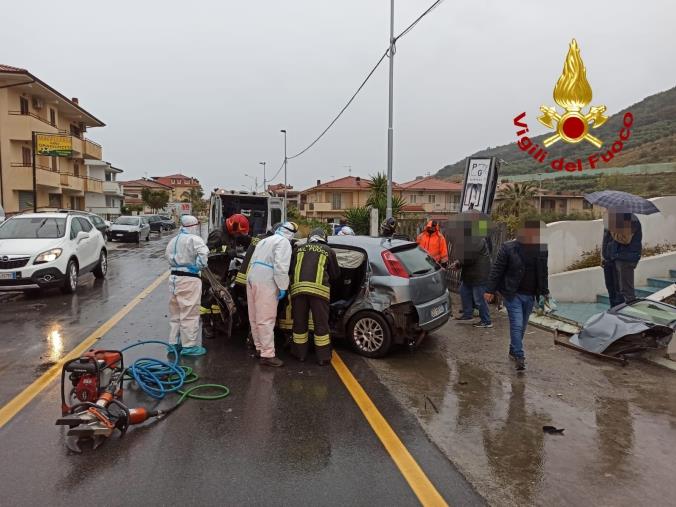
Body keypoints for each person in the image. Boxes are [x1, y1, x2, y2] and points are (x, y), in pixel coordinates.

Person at [485, 220, 549, 371]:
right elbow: (497, 270)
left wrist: (545, 292)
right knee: (517, 324)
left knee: (522, 326)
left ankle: (514, 349)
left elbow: (543, 272)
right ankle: (520, 356)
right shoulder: (509, 248)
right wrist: (490, 290)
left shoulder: (542, 249)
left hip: (530, 295)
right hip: (512, 294)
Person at [246, 221, 298, 367]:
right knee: (266, 318)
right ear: (291, 233)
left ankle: (259, 348)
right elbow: (281, 267)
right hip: (266, 279)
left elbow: (252, 261)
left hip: (252, 277)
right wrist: (283, 286)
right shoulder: (284, 243)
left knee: (255, 317)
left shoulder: (265, 240)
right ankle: (267, 355)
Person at [290, 228, 340, 365]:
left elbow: (291, 270)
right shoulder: (328, 250)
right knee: (321, 325)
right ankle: (323, 358)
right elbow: (335, 274)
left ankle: (299, 354)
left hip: (298, 290)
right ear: (324, 238)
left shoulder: (298, 249)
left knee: (300, 324)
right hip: (319, 292)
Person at [166, 215, 210, 356]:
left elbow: (167, 256)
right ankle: (189, 346)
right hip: (189, 279)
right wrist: (198, 266)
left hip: (174, 278)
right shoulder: (194, 239)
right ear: (193, 225)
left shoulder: (173, 240)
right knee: (189, 313)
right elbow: (204, 253)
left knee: (176, 313)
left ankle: (174, 344)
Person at [452, 231, 492, 328]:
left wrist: (458, 263)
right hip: (470, 274)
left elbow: (469, 258)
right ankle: (467, 315)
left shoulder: (477, 240)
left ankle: (486, 321)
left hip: (479, 275)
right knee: (464, 291)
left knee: (479, 298)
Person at [602, 212, 642, 307]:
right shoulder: (613, 218)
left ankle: (628, 317)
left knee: (625, 293)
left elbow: (625, 239)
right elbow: (606, 239)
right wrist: (604, 256)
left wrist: (612, 228)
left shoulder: (631, 219)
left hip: (624, 259)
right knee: (611, 289)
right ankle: (615, 313)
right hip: (610, 259)